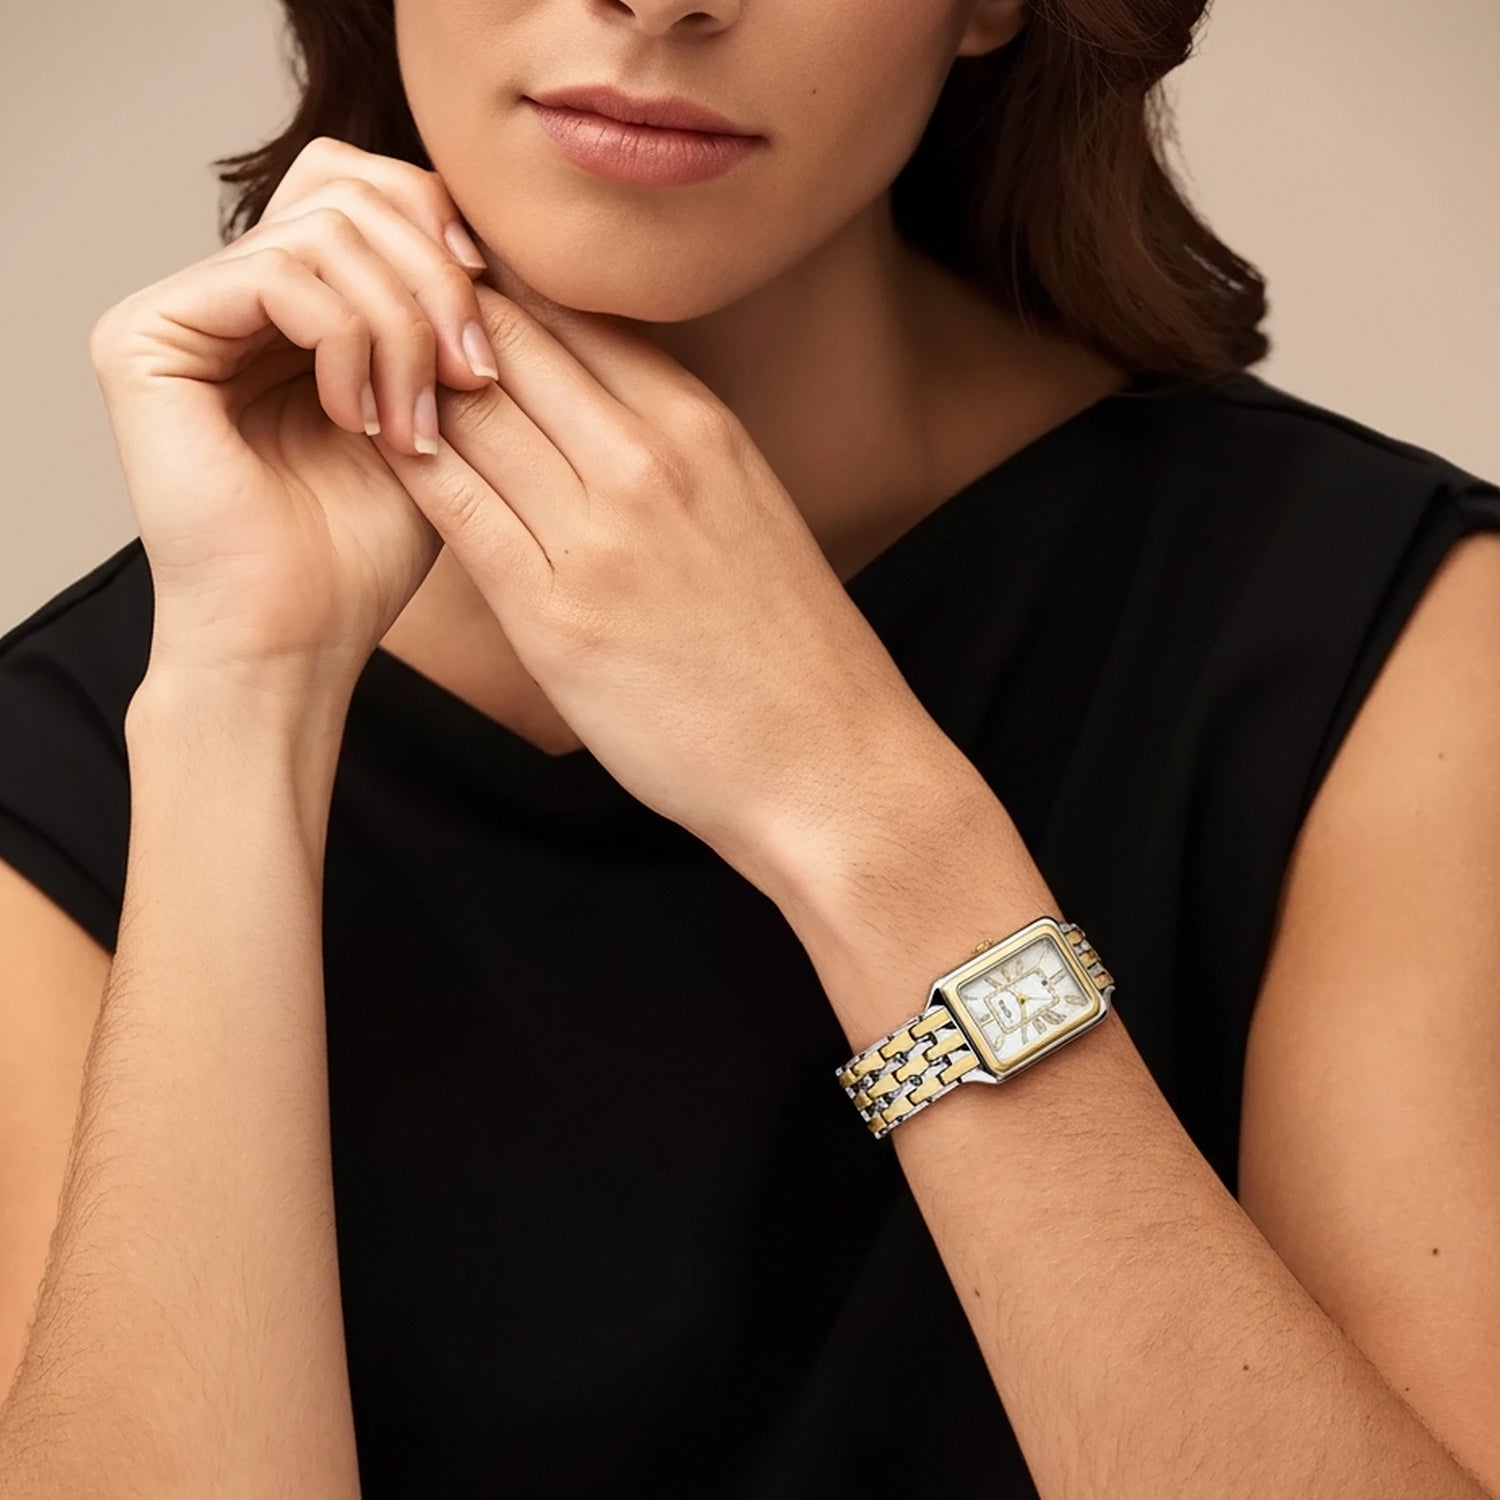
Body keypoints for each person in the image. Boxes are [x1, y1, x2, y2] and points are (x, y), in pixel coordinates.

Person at [0, 0, 1496, 1495]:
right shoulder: (74, 752)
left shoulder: (1384, 634)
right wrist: (243, 700)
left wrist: (853, 800)